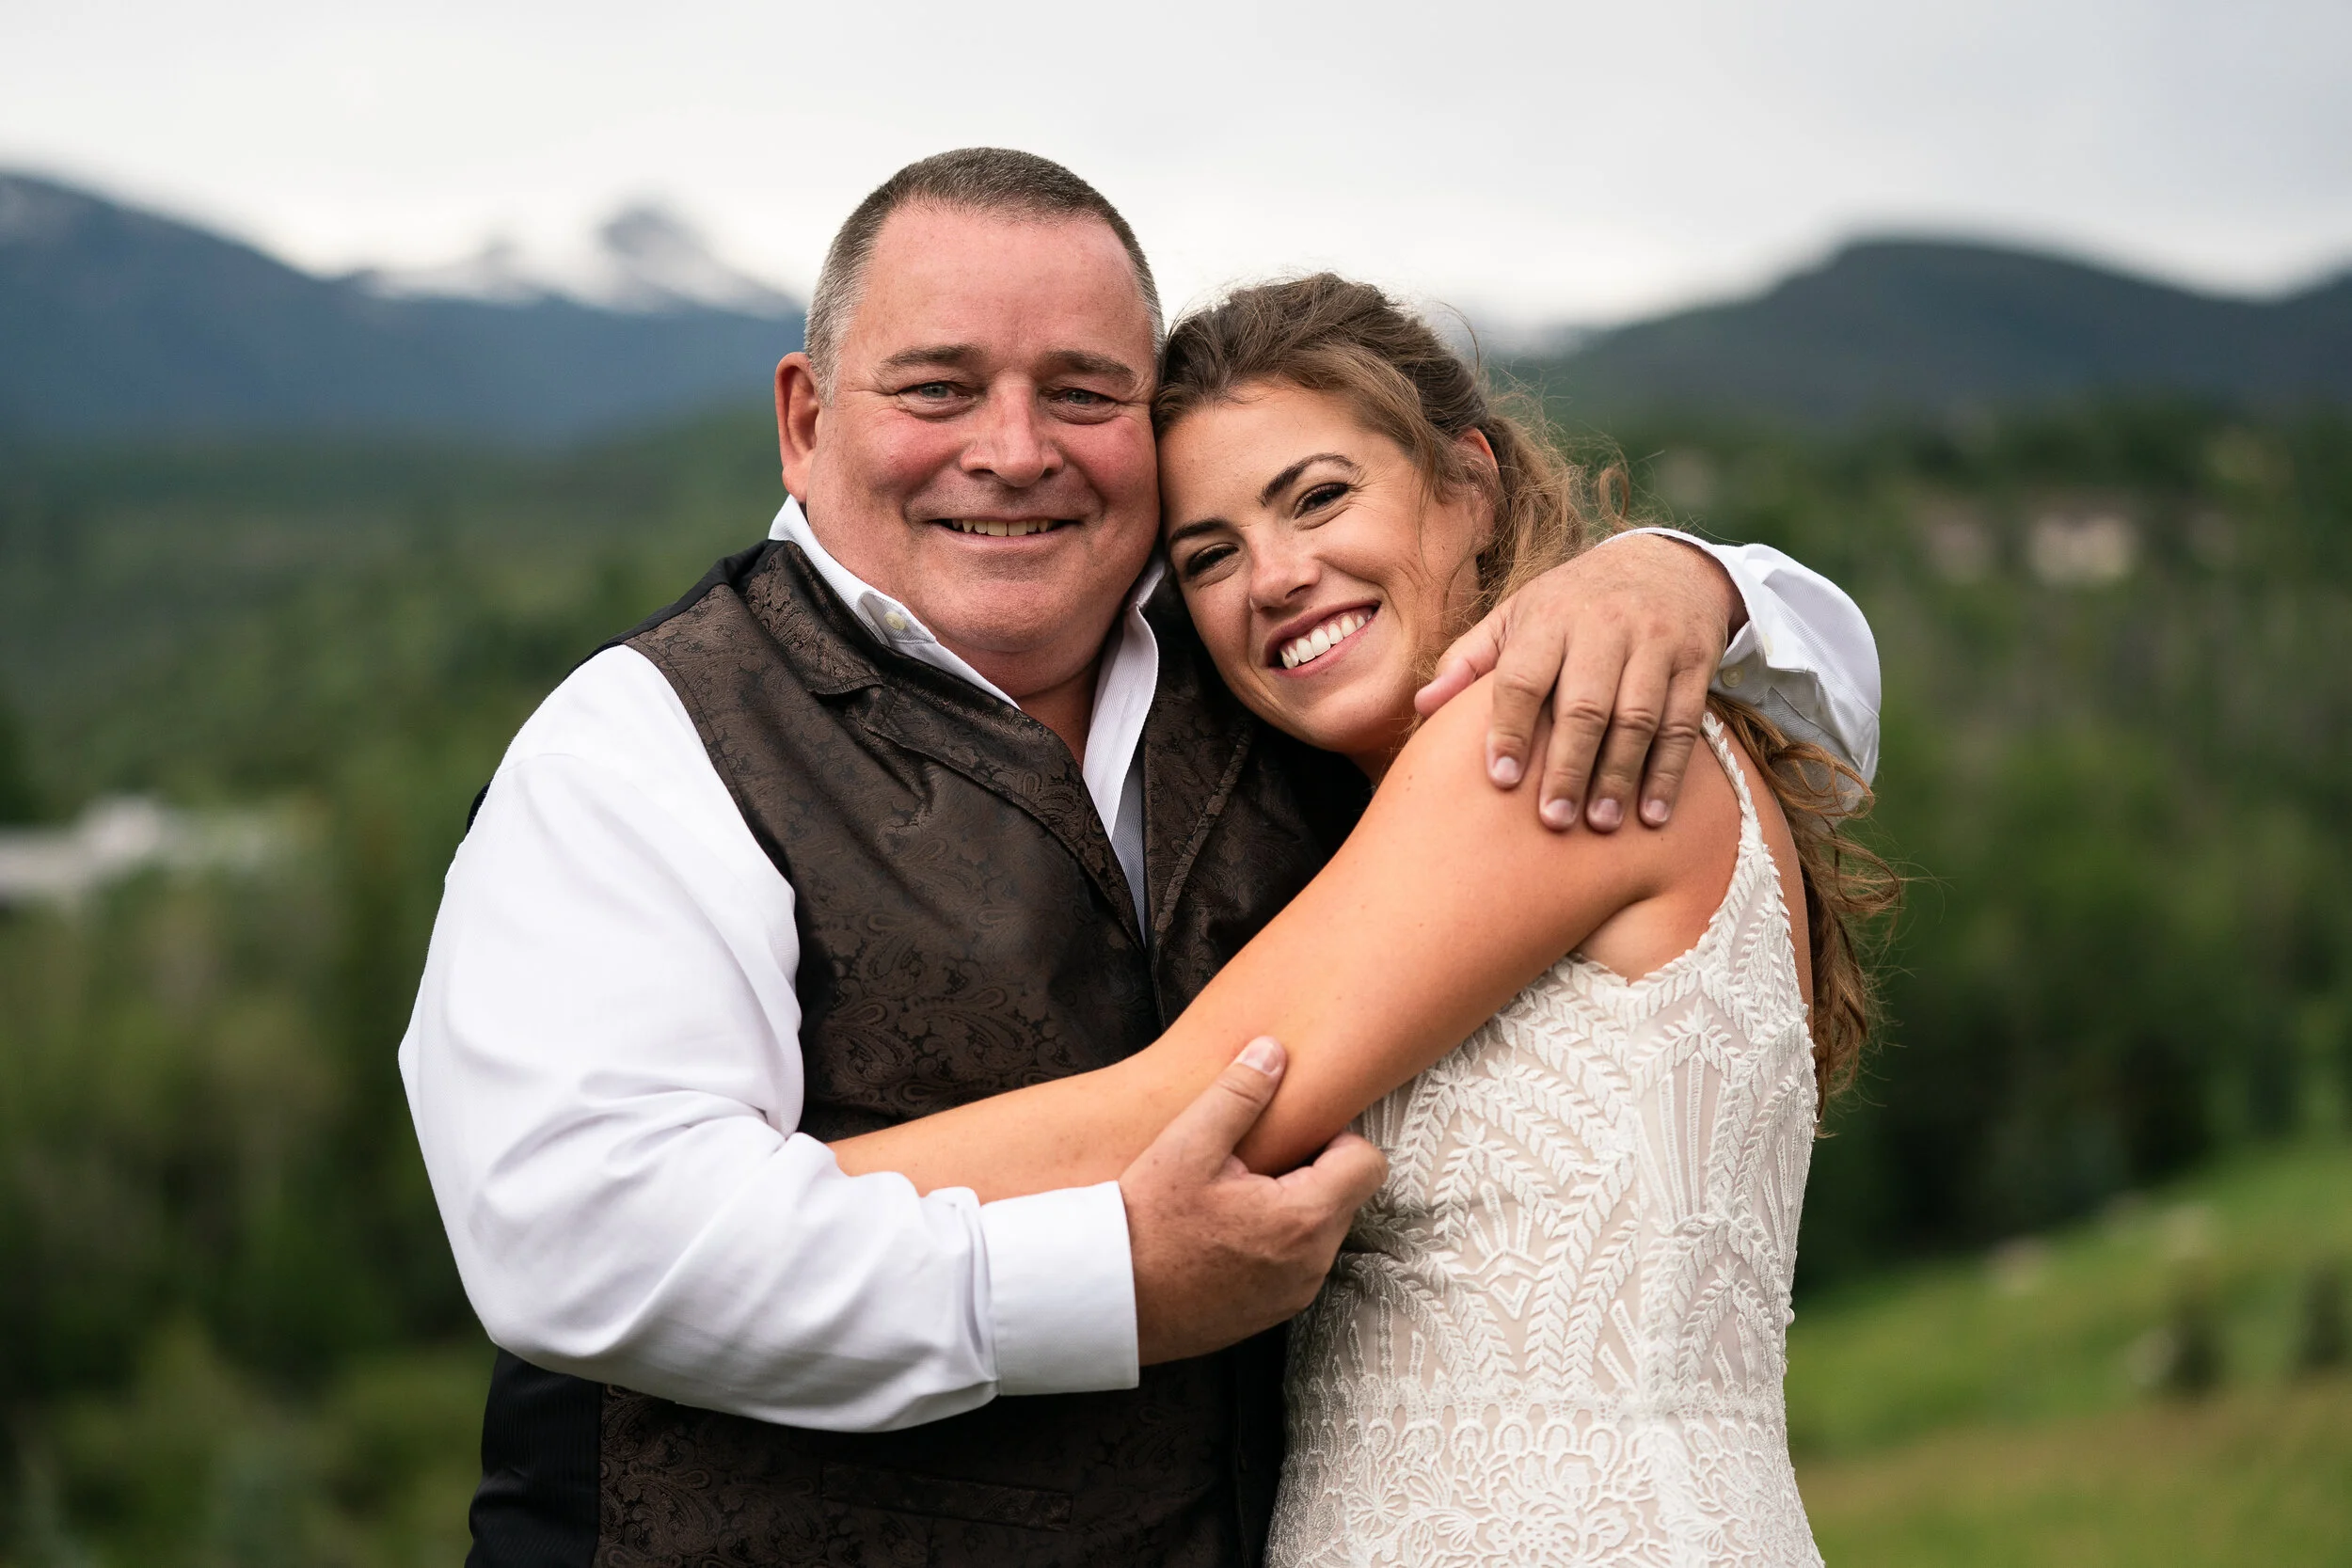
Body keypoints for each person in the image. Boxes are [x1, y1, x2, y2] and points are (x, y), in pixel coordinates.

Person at [400, 149, 1880, 1567]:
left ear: (1470, 484)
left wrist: (1699, 581)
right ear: (803, 417)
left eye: (1085, 391)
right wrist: (1080, 1273)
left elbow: (1182, 1104)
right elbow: (576, 1239)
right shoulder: (642, 741)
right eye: (939, 386)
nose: (1015, 447)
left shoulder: (1507, 719)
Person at [828, 274, 1897, 1565]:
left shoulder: (1537, 734)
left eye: (1319, 496)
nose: (1273, 578)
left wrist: (730, 1201)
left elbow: (1180, 1105)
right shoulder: (1411, 806)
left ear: (1469, 483)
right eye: (1207, 555)